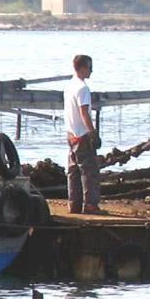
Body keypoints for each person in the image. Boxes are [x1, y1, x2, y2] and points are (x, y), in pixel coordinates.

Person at [64, 54, 102, 214]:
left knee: (73, 171)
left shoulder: (69, 85)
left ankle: (74, 204)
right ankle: (91, 205)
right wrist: (92, 132)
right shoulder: (83, 88)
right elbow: (84, 112)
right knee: (89, 171)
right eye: (90, 68)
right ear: (82, 68)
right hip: (82, 134)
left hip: (70, 133)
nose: (91, 71)